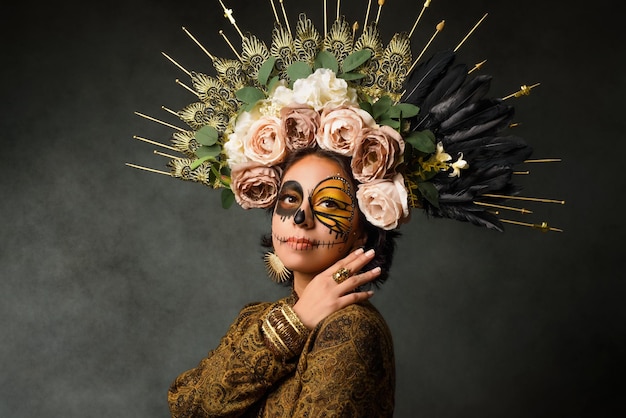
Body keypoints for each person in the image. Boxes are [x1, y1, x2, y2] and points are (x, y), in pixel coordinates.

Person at [167, 147, 397, 417]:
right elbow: (185, 407)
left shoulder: (352, 326)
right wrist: (291, 324)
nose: (301, 218)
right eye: (290, 198)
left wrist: (291, 326)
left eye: (329, 204)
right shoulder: (255, 318)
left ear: (363, 231)